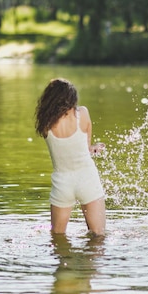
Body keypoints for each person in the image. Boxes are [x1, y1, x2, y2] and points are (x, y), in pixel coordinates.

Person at [35, 78, 106, 236]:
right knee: (98, 236)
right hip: (87, 179)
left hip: (62, 184)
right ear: (71, 98)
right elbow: (85, 149)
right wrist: (93, 149)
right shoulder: (83, 114)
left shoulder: (45, 123)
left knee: (58, 238)